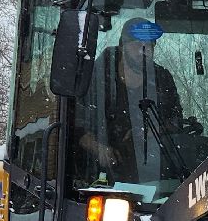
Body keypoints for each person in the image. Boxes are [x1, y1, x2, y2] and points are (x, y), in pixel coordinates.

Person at [79, 16, 192, 184]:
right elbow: (78, 128)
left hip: (154, 173)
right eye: (137, 45)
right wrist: (100, 149)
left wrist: (145, 133)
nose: (143, 51)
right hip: (100, 175)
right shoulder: (97, 76)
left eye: (149, 45)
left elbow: (175, 122)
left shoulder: (162, 79)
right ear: (122, 46)